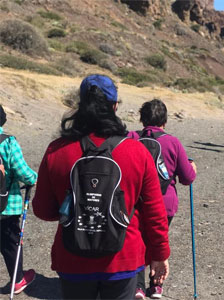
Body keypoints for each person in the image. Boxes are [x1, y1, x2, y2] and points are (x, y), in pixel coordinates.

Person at [32, 75, 170, 300]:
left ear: (80, 105)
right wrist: (160, 254)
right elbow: (155, 214)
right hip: (123, 259)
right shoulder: (137, 153)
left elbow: (43, 211)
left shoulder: (57, 151)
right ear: (115, 106)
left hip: (72, 258)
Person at [128, 99, 196, 299]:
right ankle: (156, 286)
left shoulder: (131, 138)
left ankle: (138, 287)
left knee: (138, 242)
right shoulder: (172, 142)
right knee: (158, 240)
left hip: (135, 202)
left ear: (142, 118)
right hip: (164, 203)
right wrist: (192, 166)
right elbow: (187, 178)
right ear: (164, 120)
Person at [0, 105, 38, 295]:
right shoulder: (7, 142)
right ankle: (18, 279)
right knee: (11, 242)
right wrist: (34, 178)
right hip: (7, 204)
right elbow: (23, 172)